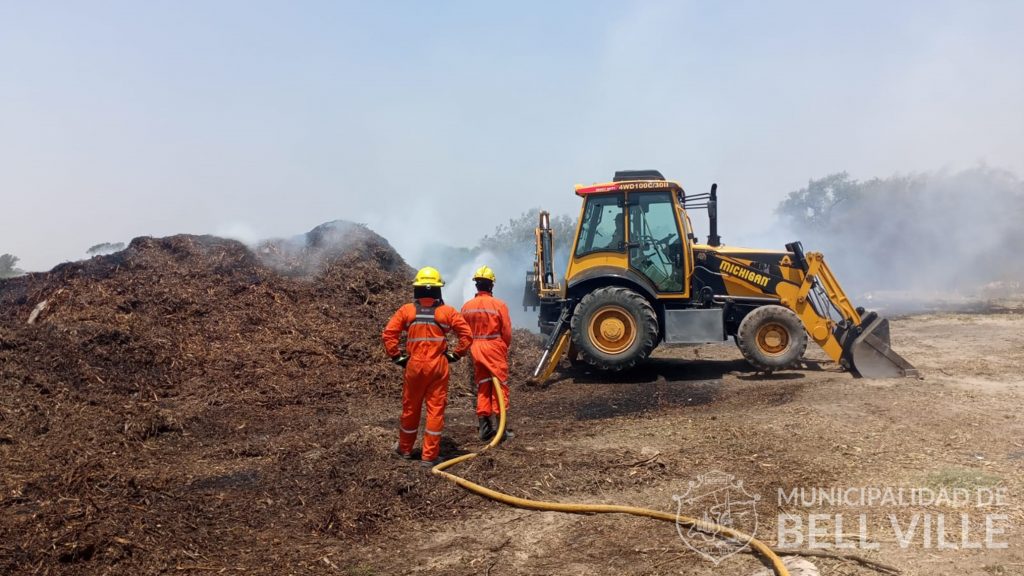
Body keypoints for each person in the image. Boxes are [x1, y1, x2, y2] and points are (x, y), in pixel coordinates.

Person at [382, 266, 473, 466]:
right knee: (435, 410)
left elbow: (389, 334)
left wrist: (397, 357)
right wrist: (456, 354)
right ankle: (429, 456)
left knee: (410, 408)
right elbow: (467, 335)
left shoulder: (407, 311)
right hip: (438, 367)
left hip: (414, 366)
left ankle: (405, 449)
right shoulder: (447, 312)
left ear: (418, 289)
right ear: (438, 290)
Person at [459, 265, 513, 441]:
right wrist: (503, 346)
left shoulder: (466, 307)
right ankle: (501, 430)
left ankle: (484, 428)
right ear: (491, 286)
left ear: (476, 286)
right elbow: (506, 332)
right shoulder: (499, 305)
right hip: (494, 346)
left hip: (476, 348)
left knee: (483, 385)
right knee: (500, 387)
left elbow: (463, 332)